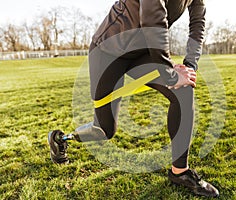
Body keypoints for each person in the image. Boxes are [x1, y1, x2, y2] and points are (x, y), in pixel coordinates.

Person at [48, 0, 219, 198]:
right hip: (108, 51)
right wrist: (169, 73)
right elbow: (153, 18)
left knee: (183, 91)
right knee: (104, 130)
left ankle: (179, 172)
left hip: (142, 53)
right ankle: (60, 138)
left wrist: (189, 66)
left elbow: (198, 23)